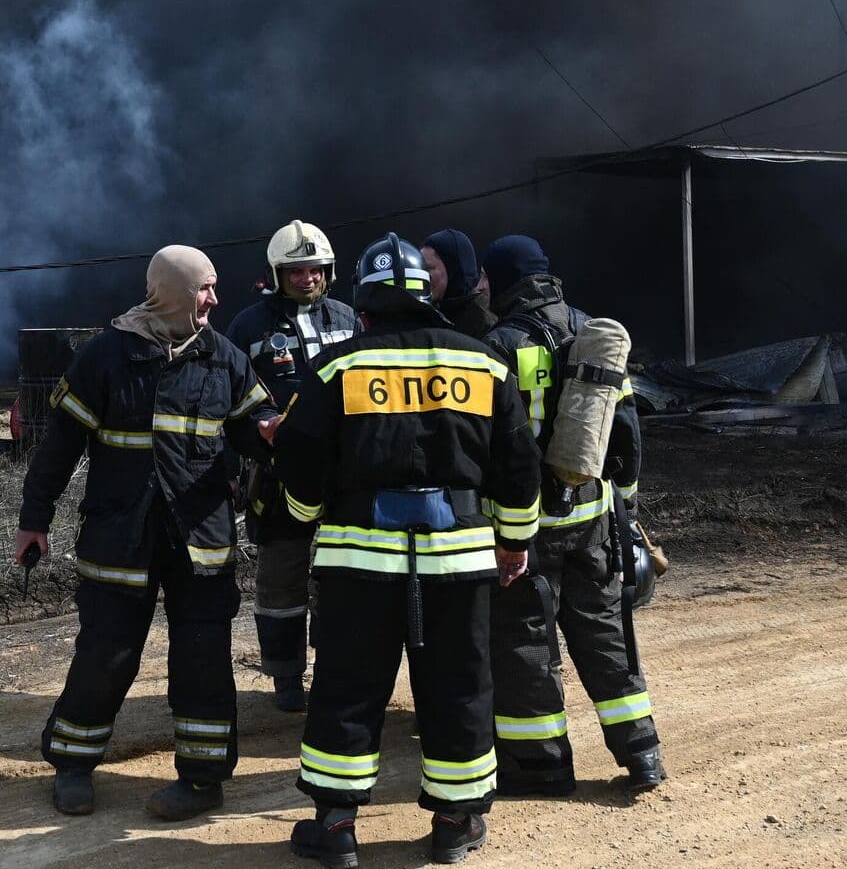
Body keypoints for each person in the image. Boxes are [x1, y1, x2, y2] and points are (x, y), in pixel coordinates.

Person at [272, 232, 541, 866]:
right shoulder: (484, 363)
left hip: (357, 564)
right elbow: (518, 463)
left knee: (347, 685)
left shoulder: (338, 367)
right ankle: (455, 823)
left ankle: (336, 828)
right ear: (431, 296)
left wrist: (308, 514)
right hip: (460, 560)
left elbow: (300, 454)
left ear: (362, 308)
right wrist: (514, 540)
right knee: (460, 684)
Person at [14, 245, 280, 820]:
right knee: (106, 654)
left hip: (201, 538)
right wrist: (35, 520)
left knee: (203, 658)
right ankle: (74, 765)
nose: (213, 299)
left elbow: (254, 433)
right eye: (204, 288)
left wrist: (272, 435)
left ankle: (203, 780)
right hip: (119, 539)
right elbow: (60, 446)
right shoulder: (106, 356)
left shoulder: (225, 358)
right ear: (173, 291)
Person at [479, 235, 665, 796]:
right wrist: (624, 503)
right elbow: (627, 431)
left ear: (506, 279)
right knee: (607, 635)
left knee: (525, 645)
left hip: (526, 526)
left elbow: (496, 445)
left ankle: (541, 771)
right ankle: (643, 755)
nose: (481, 287)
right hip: (593, 519)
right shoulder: (592, 333)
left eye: (488, 277)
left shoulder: (498, 345)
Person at [223, 220, 360, 712]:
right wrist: (259, 422)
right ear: (276, 274)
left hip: (343, 472)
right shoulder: (249, 325)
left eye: (315, 270)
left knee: (342, 570)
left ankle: (336, 666)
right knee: (281, 574)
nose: (307, 279)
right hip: (277, 472)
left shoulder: (349, 318)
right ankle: (284, 675)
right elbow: (230, 392)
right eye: (295, 271)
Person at [422, 228, 497, 338]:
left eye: (428, 268)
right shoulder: (428, 313)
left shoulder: (485, 322)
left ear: (453, 271)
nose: (422, 275)